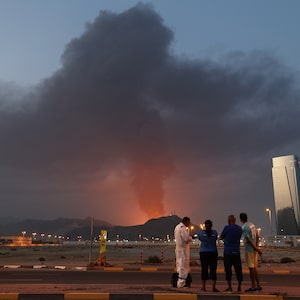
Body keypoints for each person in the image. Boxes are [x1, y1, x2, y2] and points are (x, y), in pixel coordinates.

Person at [240, 212, 262, 292]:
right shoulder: (252, 225)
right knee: (255, 267)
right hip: (254, 249)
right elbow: (257, 236)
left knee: (251, 268)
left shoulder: (244, 227)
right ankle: (258, 285)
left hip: (249, 249)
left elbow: (248, 240)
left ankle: (253, 286)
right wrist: (257, 247)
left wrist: (255, 248)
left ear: (240, 219)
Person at [220, 214, 243, 293]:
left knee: (228, 270)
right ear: (235, 220)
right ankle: (239, 286)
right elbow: (239, 236)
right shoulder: (239, 228)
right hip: (236, 252)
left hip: (228, 252)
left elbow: (221, 237)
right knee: (238, 270)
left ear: (229, 221)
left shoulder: (226, 228)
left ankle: (230, 287)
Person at [198, 219, 219, 292]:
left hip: (203, 252)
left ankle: (203, 287)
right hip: (213, 252)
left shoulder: (201, 233)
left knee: (204, 269)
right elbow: (215, 238)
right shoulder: (215, 233)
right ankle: (213, 287)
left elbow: (200, 238)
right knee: (213, 269)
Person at [174, 216, 192, 288]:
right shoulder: (183, 228)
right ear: (186, 222)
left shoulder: (177, 227)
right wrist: (190, 238)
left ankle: (180, 281)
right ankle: (181, 283)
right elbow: (186, 239)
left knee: (179, 265)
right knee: (183, 266)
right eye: (189, 222)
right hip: (183, 250)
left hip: (178, 249)